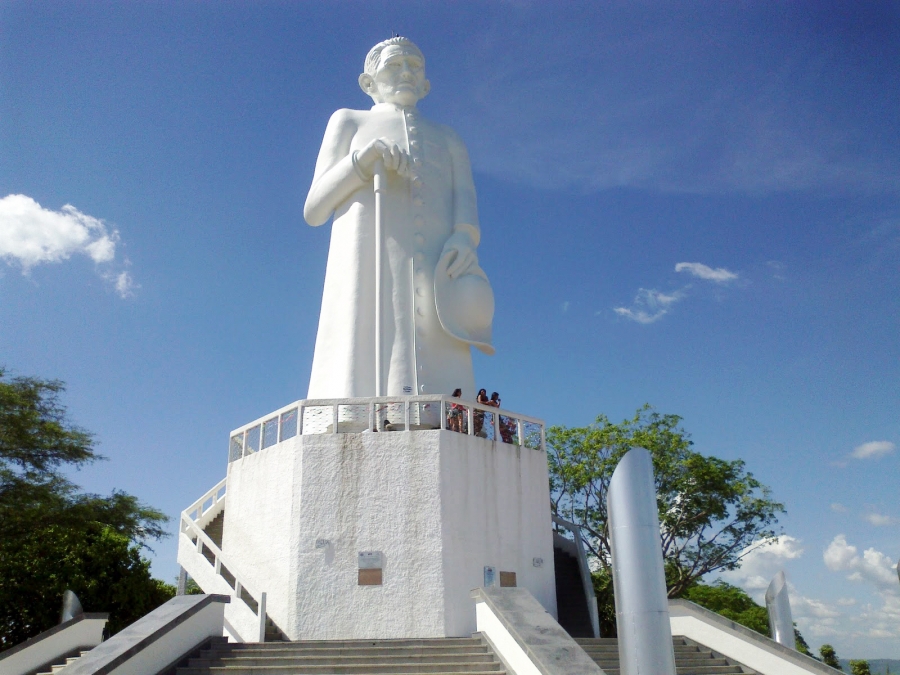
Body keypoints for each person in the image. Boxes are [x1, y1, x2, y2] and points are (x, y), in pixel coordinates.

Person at [304, 37, 495, 404]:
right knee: (367, 335)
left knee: (442, 339)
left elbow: (465, 203)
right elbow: (314, 209)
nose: (406, 72)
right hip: (368, 261)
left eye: (415, 65)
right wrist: (361, 160)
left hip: (439, 266)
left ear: (426, 83)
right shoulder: (349, 121)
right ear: (368, 82)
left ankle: (451, 415)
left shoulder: (449, 138)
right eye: (394, 65)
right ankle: (355, 412)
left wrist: (464, 238)